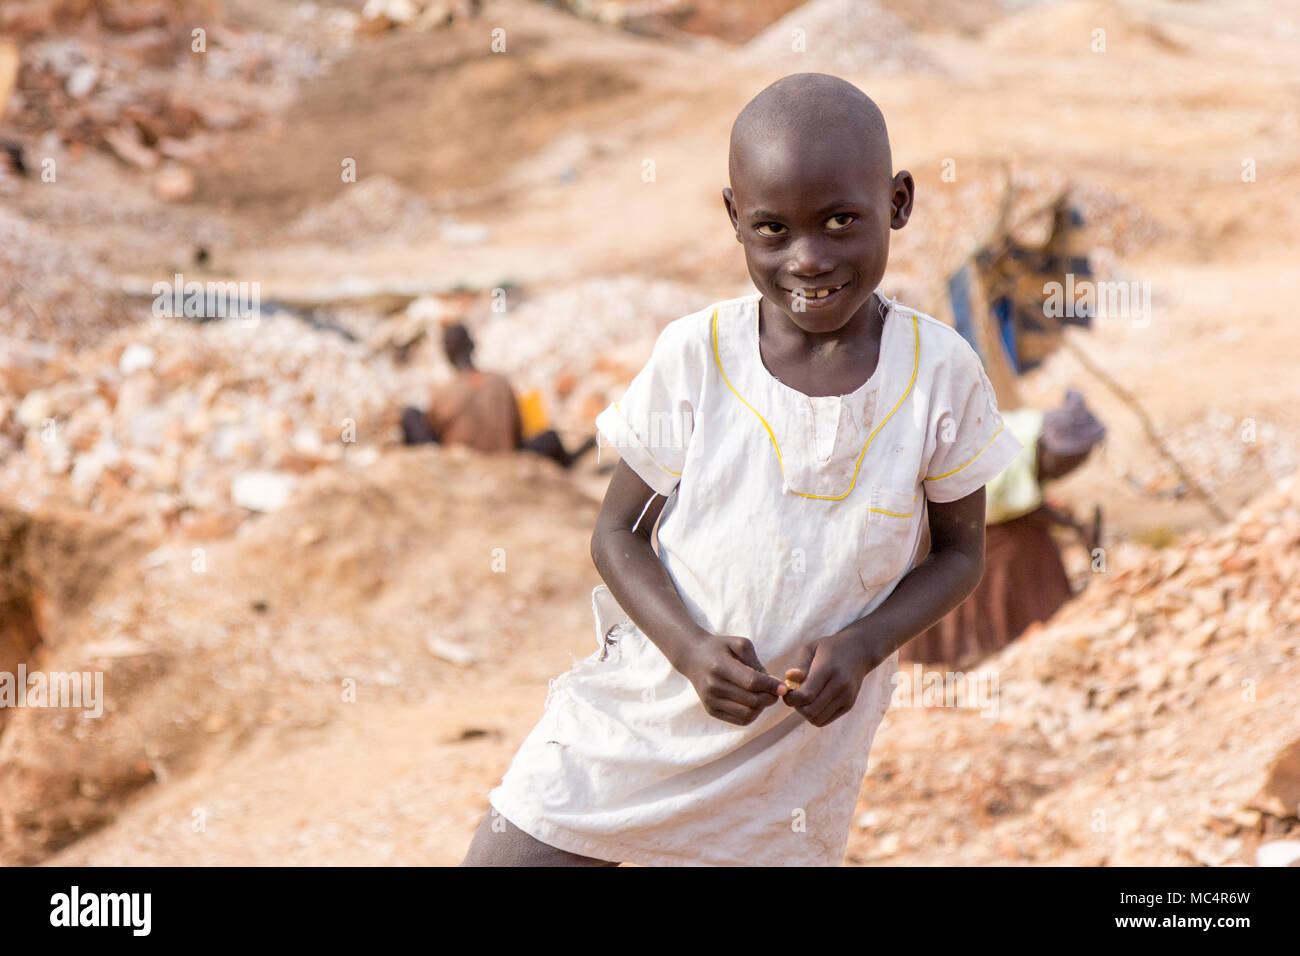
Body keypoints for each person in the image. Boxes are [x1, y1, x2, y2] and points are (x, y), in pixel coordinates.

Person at [461, 73, 1022, 867]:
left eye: (840, 221)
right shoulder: (699, 357)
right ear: (735, 219)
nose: (808, 258)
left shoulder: (941, 373)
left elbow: (961, 556)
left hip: (792, 761)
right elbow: (616, 534)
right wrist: (690, 650)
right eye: (773, 229)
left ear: (897, 203)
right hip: (643, 713)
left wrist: (865, 644)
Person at [902, 389, 1105, 667]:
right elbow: (1008, 509)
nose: (1069, 469)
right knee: (1011, 550)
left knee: (1033, 542)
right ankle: (984, 640)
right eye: (1068, 461)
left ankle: (1032, 622)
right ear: (1049, 449)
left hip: (975, 513)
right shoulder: (1011, 457)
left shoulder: (1033, 436)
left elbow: (1027, 505)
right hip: (938, 518)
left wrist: (1072, 526)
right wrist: (1071, 526)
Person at [400, 323, 596, 468]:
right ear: (473, 345)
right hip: (507, 457)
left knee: (410, 414)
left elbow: (434, 433)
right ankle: (569, 461)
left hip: (460, 463)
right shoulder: (500, 381)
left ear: (447, 354)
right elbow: (517, 432)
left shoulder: (444, 392)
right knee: (550, 437)